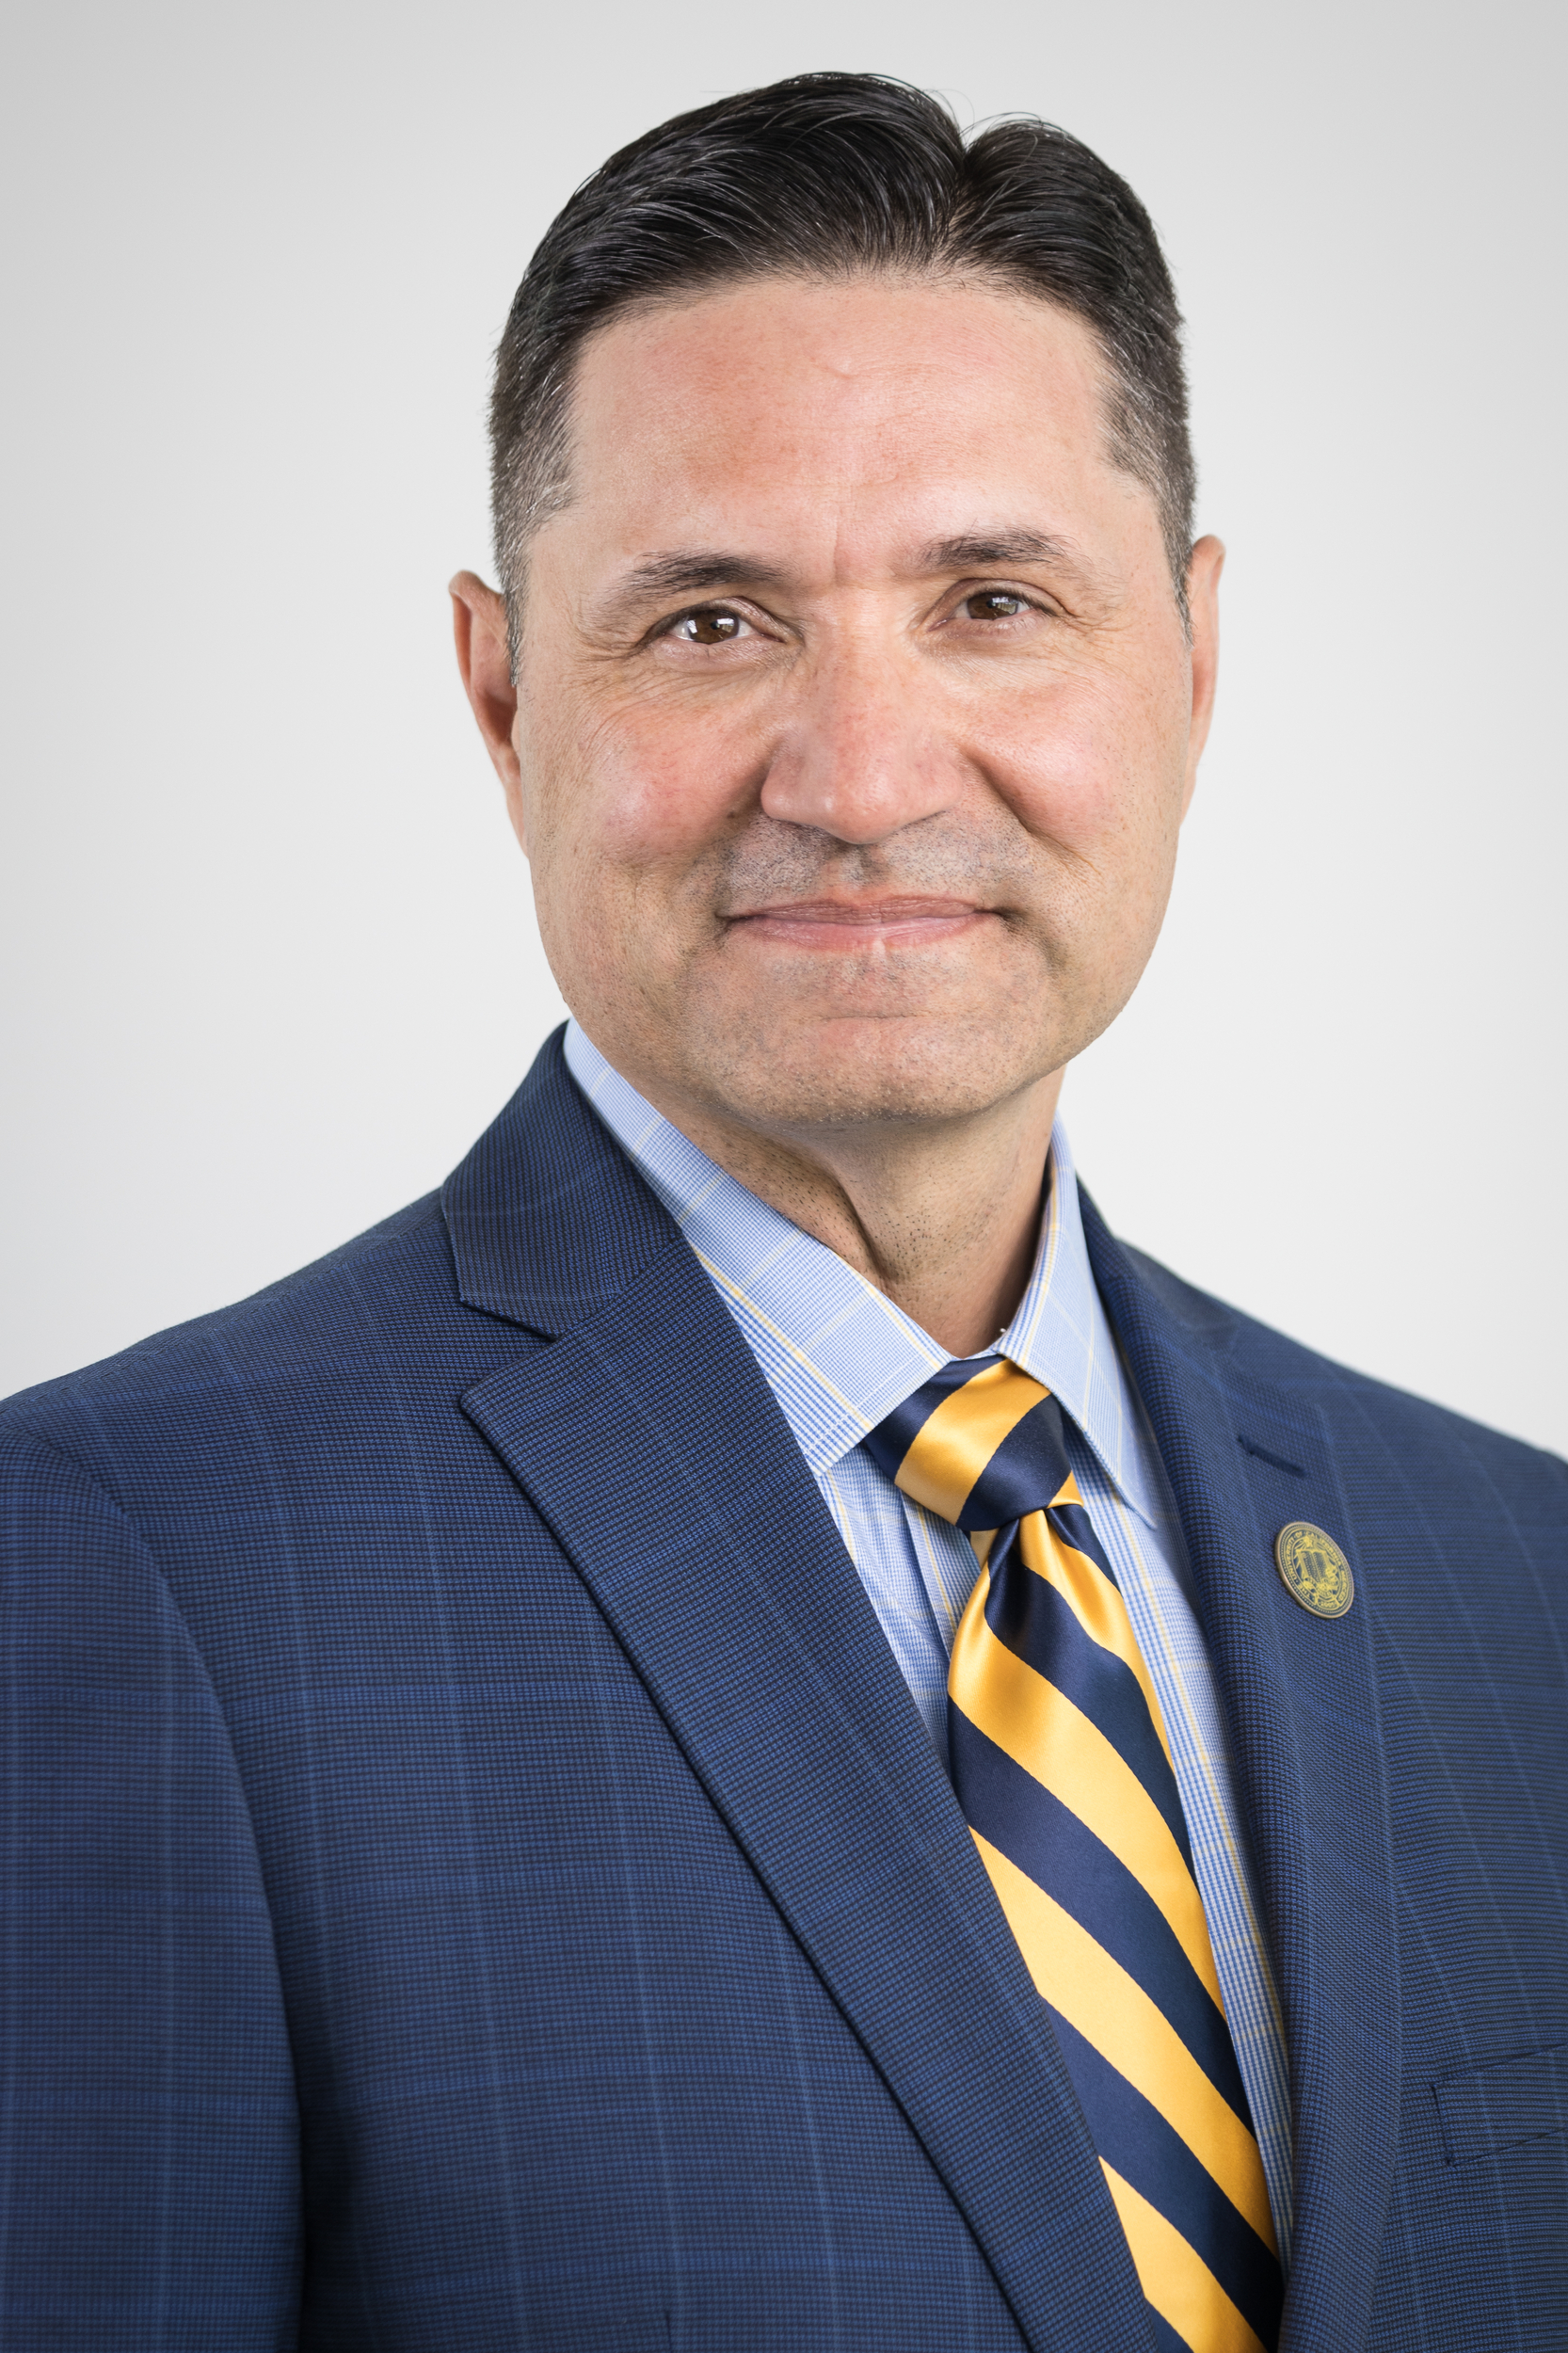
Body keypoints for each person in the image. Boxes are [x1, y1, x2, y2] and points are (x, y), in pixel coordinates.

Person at [1, 71, 1562, 2353]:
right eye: (712, 623)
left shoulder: (1512, 1577)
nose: (856, 777)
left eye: (994, 599)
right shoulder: (122, 1567)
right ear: (499, 689)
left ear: (1194, 664)